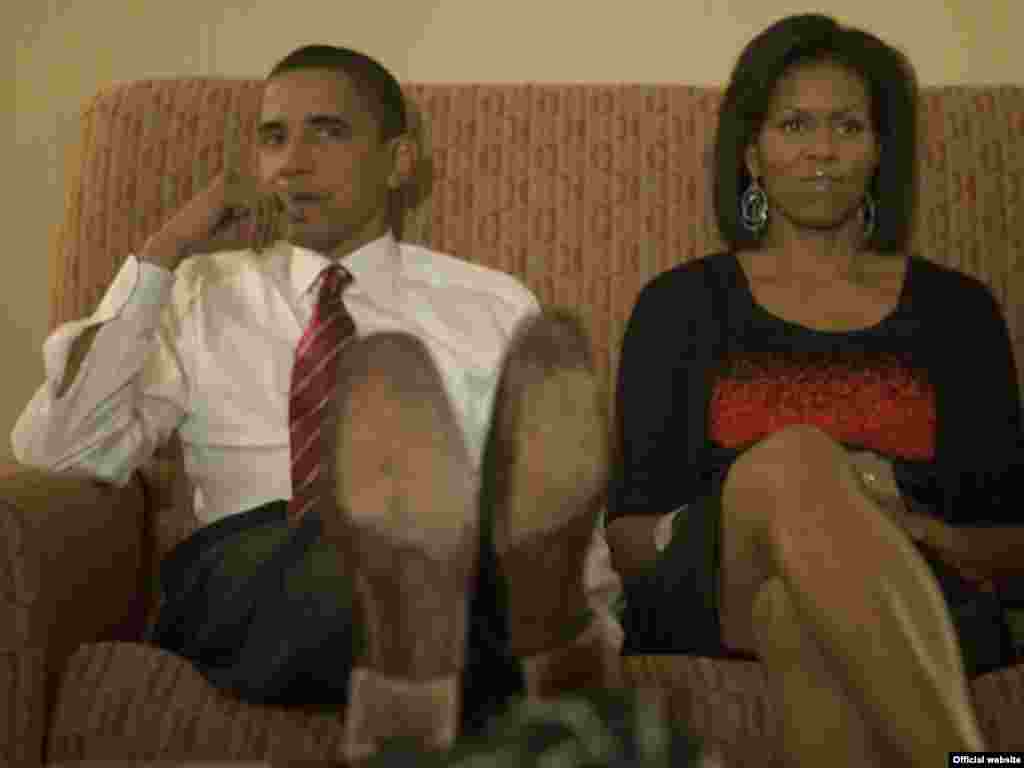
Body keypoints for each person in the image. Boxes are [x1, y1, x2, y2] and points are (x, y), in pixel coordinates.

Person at [10, 44, 703, 766]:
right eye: (273, 137)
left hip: (459, 564)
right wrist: (162, 253)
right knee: (408, 560)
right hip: (250, 562)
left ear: (399, 162)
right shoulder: (197, 292)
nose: (292, 162)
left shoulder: (490, 304)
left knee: (458, 563)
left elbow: (553, 512)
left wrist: (587, 626)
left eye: (327, 132)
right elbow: (64, 449)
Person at [606, 13, 1023, 768]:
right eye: (795, 125)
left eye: (848, 127)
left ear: (879, 151)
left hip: (923, 591)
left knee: (795, 616)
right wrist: (779, 491)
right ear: (754, 154)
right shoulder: (682, 304)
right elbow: (630, 540)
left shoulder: (957, 312)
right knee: (796, 459)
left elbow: (1012, 541)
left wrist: (898, 522)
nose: (822, 150)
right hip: (715, 580)